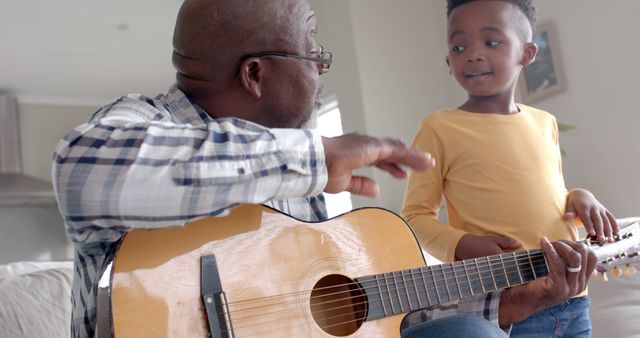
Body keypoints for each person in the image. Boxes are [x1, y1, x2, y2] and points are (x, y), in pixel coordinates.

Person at [52, 0, 596, 337]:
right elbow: (82, 171)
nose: (321, 67)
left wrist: (510, 304)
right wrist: (315, 156)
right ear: (256, 73)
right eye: (312, 49)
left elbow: (362, 312)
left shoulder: (303, 186)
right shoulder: (145, 121)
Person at [402, 0, 617, 337]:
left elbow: (550, 196)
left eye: (491, 42)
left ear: (527, 53)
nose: (472, 54)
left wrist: (579, 195)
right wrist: (462, 243)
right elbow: (414, 217)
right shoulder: (437, 128)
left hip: (574, 296)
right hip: (507, 301)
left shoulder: (545, 123)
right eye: (459, 46)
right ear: (449, 61)